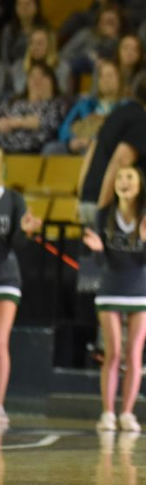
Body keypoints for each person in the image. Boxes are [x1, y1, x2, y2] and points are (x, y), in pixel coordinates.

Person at [83, 166, 146, 432]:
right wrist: (96, 250)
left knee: (134, 352)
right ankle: (107, 413)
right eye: (119, 177)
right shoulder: (103, 215)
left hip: (141, 291)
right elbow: (100, 261)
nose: (123, 182)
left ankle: (127, 413)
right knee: (113, 352)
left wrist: (145, 239)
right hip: (111, 288)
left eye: (129, 177)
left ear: (140, 185)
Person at [78, 72, 146, 226]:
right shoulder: (143, 122)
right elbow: (120, 162)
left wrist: (81, 196)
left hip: (89, 199)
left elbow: (91, 152)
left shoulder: (117, 114)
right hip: (112, 209)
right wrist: (102, 210)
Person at [0, 147, 42, 426]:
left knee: (0, 340)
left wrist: (25, 231)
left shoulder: (13, 199)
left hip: (6, 277)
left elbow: (17, 245)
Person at [0, 62, 68, 154]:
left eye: (42, 77)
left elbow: (50, 123)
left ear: (52, 81)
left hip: (33, 148)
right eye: (33, 77)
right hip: (4, 146)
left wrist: (15, 122)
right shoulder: (14, 101)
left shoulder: (56, 103)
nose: (37, 81)